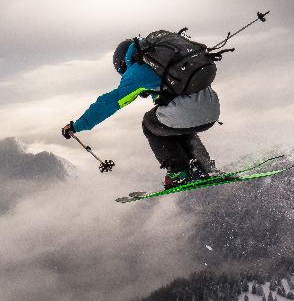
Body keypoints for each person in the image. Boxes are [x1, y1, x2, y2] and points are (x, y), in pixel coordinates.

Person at [61, 38, 221, 188]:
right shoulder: (162, 57)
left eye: (122, 70)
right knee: (173, 124)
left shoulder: (136, 71)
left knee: (150, 123)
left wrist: (77, 126)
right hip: (212, 109)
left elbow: (109, 103)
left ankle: (179, 172)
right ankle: (204, 165)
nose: (124, 74)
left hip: (191, 112)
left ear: (123, 62)